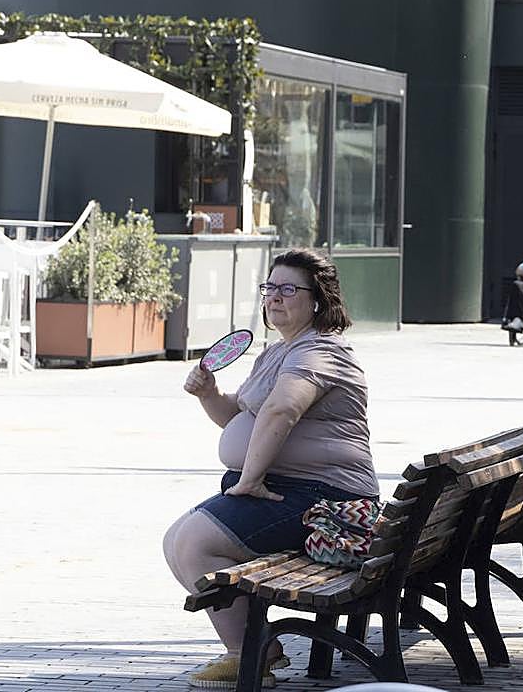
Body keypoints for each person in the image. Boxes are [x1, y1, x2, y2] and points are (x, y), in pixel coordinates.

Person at [163, 249, 380, 689]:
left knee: (195, 544)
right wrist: (210, 394)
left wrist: (250, 479)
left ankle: (250, 653)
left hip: (326, 502)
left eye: (288, 289)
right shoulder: (278, 352)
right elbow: (241, 419)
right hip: (294, 489)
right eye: (270, 288)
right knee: (176, 541)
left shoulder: (321, 351)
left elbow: (281, 411)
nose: (275, 297)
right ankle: (251, 647)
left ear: (317, 301)